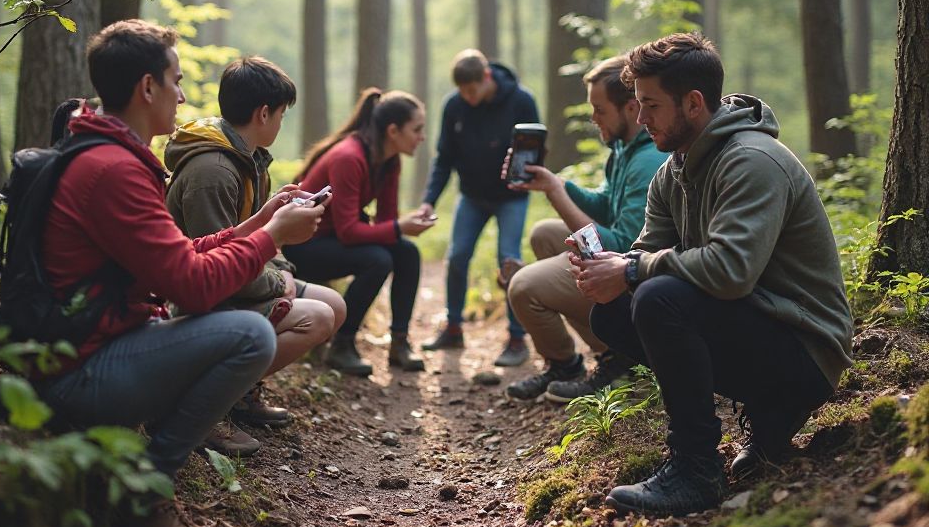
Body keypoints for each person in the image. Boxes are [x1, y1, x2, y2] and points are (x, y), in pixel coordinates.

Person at [36, 19, 324, 527]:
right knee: (248, 334)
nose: (185, 94)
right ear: (148, 88)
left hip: (98, 341)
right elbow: (192, 287)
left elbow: (175, 257)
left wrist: (254, 224)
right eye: (176, 79)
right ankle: (145, 492)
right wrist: (271, 239)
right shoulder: (114, 170)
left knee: (249, 327)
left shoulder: (112, 155)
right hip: (81, 369)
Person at [573, 32, 853, 517]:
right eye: (638, 106)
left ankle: (695, 469)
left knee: (657, 296)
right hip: (752, 323)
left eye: (651, 106)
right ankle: (767, 413)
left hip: (804, 347)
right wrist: (608, 269)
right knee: (614, 311)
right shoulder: (673, 170)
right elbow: (646, 250)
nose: (640, 119)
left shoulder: (752, 161)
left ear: (694, 103)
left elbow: (730, 271)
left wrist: (634, 269)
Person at [164, 56, 347, 451]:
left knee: (334, 303)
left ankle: (241, 394)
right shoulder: (213, 171)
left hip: (246, 277)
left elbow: (262, 235)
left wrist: (279, 272)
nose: (282, 123)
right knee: (315, 317)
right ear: (264, 113)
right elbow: (213, 269)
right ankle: (209, 404)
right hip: (199, 302)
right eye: (281, 114)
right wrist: (275, 284)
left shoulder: (249, 159)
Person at [504, 55, 666, 402]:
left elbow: (625, 246)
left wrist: (555, 193)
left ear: (629, 108)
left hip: (639, 279)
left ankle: (623, 358)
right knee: (544, 233)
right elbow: (606, 204)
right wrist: (553, 182)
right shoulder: (624, 150)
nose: (593, 118)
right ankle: (584, 361)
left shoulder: (649, 159)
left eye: (599, 110)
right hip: (628, 268)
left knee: (523, 286)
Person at [284, 88, 434, 376]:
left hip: (333, 239)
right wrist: (400, 226)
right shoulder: (349, 157)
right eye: (417, 129)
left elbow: (387, 221)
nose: (422, 136)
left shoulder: (390, 160)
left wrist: (402, 226)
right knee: (378, 259)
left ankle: (399, 343)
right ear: (393, 130)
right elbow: (350, 233)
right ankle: (341, 344)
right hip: (305, 244)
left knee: (407, 252)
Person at [418, 49, 540, 367]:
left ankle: (516, 338)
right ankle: (454, 327)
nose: (468, 98)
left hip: (512, 196)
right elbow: (444, 157)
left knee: (508, 259)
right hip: (471, 196)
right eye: (462, 92)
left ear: (486, 77)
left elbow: (536, 148)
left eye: (472, 91)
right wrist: (429, 199)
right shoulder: (454, 107)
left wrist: (526, 176)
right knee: (457, 256)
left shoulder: (521, 101)